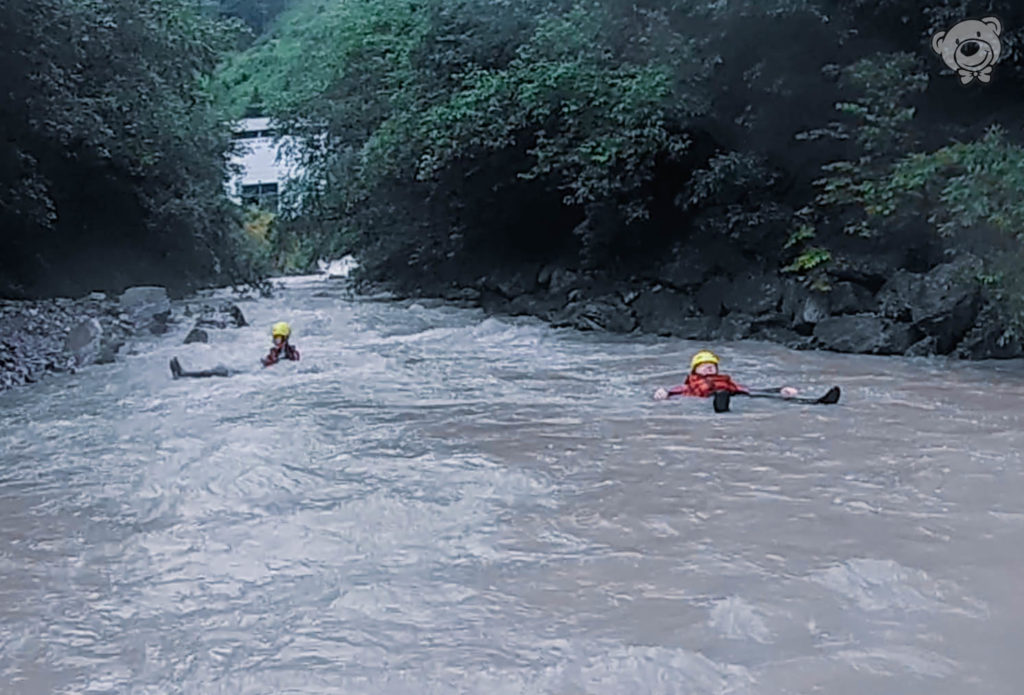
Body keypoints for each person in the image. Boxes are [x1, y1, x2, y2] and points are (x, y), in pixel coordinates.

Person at [169, 321, 299, 379]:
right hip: (255, 371)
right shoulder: (277, 351)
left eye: (279, 339)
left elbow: (285, 366)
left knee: (219, 371)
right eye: (275, 339)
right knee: (220, 369)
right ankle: (184, 373)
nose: (276, 342)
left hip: (254, 375)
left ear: (286, 338)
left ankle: (184, 374)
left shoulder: (289, 353)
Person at [652, 350, 798, 400]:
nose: (708, 368)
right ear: (695, 371)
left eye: (712, 366)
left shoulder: (726, 382)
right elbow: (675, 391)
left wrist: (779, 390)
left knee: (747, 396)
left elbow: (749, 390)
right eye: (704, 366)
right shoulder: (689, 386)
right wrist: (664, 392)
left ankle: (785, 395)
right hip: (706, 401)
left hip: (730, 395)